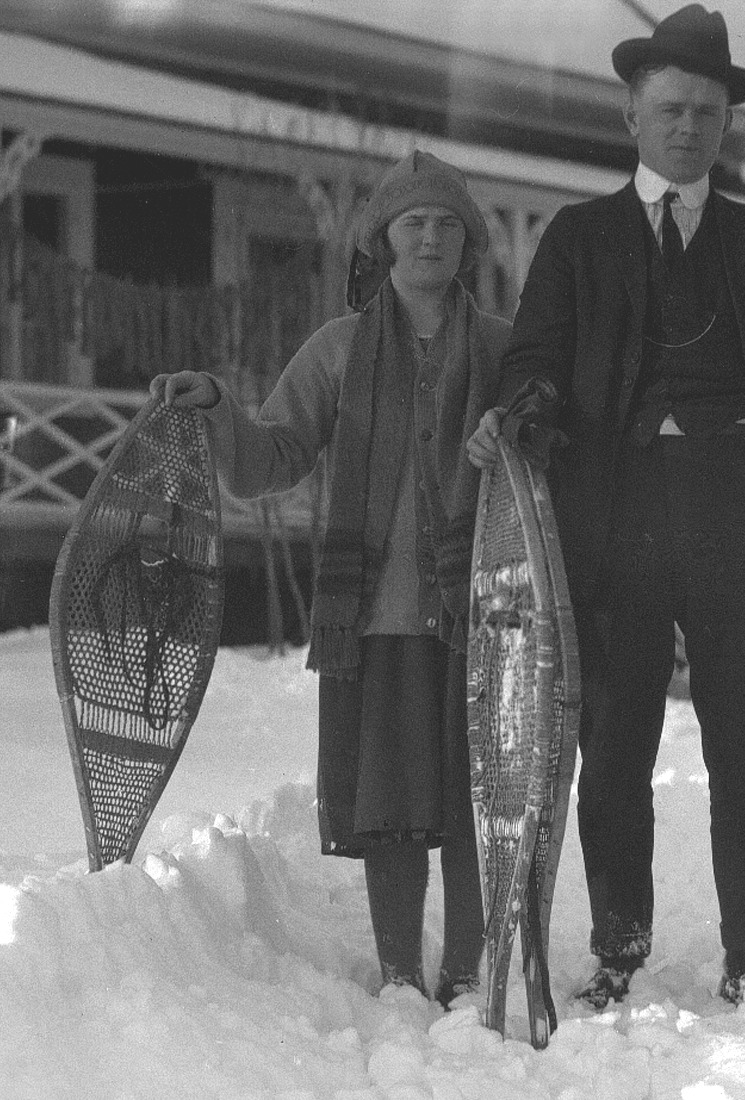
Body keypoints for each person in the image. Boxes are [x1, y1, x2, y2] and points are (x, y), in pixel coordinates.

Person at [466, 4, 745, 1006]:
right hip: (612, 526)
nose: (686, 128)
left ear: (724, 125)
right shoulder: (579, 238)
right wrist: (520, 412)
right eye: (668, 110)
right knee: (612, 751)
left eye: (705, 113)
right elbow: (535, 358)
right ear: (630, 118)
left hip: (736, 525)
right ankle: (617, 949)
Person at [152, 151, 509, 1007]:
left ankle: (465, 975)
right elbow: (272, 452)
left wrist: (520, 426)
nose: (430, 237)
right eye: (413, 223)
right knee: (393, 800)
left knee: (473, 798)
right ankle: (398, 976)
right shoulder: (340, 349)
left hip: (485, 608)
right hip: (379, 610)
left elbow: (552, 445)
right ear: (382, 240)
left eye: (447, 224)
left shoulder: (505, 349)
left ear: (470, 245)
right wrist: (216, 410)